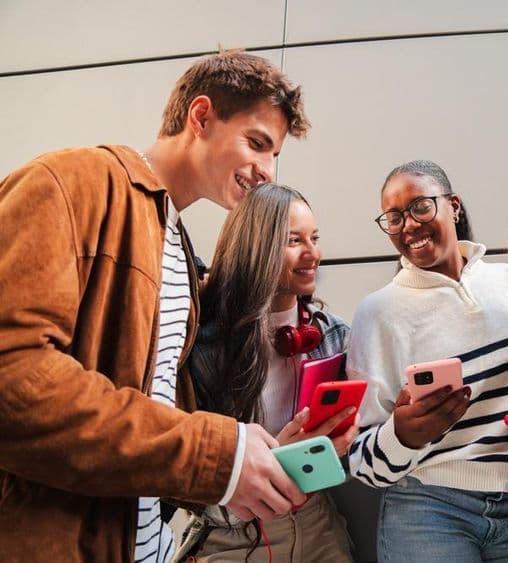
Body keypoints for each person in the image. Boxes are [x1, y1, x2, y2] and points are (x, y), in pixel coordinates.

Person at [0, 50, 311, 562]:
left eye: (274, 154)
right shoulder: (67, 183)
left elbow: (151, 410)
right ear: (201, 116)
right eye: (257, 144)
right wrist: (216, 455)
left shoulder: (177, 245)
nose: (267, 171)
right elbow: (14, 381)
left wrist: (244, 463)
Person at [346, 160, 508, 562]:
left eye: (420, 207)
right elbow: (361, 461)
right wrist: (403, 434)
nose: (408, 225)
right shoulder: (378, 313)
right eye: (393, 218)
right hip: (428, 511)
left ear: (454, 207)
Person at [174, 183, 357, 561]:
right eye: (294, 240)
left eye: (315, 238)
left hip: (316, 523)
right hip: (230, 535)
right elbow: (185, 474)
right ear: (258, 247)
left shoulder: (332, 334)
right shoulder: (203, 348)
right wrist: (276, 464)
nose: (313, 254)